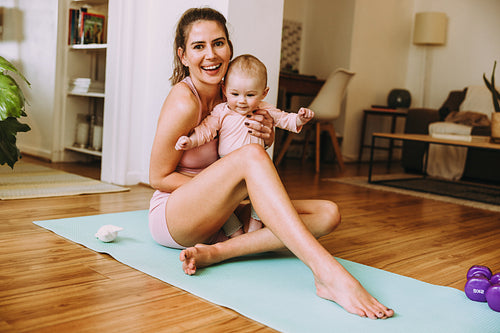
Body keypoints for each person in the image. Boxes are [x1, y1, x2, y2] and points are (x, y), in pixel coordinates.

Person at [148, 7, 394, 320]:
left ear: (229, 48)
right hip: (175, 215)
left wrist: (265, 139)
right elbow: (158, 176)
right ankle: (329, 275)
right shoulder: (184, 101)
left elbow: (241, 152)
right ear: (183, 56)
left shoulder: (236, 96)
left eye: (218, 43)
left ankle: (218, 252)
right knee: (252, 159)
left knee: (328, 214)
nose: (210, 54)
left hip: (218, 213)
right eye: (199, 46)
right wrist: (233, 191)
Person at [175, 54, 315, 236]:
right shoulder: (222, 111)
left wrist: (299, 118)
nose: (241, 100)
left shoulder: (264, 109)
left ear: (264, 93)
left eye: (250, 95)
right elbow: (206, 129)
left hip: (257, 168)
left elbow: (284, 118)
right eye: (235, 94)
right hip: (227, 166)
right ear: (224, 90)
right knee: (221, 203)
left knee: (263, 195)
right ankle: (235, 233)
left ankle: (255, 226)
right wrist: (190, 140)